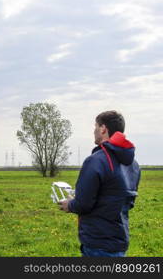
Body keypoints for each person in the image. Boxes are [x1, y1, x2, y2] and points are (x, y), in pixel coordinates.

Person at [58, 110, 141, 257]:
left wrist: (69, 204)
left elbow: (83, 204)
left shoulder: (95, 161)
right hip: (119, 241)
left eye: (95, 126)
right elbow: (126, 201)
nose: (94, 131)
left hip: (98, 244)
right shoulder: (133, 165)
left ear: (103, 129)